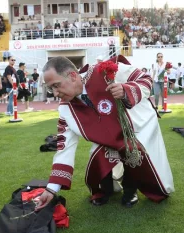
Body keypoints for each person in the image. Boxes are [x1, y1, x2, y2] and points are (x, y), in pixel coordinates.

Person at [35, 56, 174, 211]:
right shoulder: (65, 109)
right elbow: (63, 148)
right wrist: (51, 189)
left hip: (137, 125)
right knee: (97, 155)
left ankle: (130, 190)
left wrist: (126, 90)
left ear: (73, 76)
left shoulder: (105, 70)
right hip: (107, 137)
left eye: (56, 85)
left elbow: (145, 79)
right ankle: (105, 190)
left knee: (133, 150)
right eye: (50, 88)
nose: (55, 93)